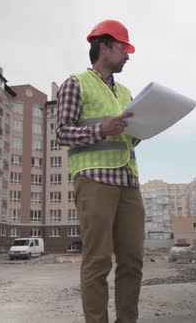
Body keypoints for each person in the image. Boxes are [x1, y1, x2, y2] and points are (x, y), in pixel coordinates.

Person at [56, 19, 145, 323]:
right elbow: (62, 132)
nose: (128, 55)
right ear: (104, 47)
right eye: (123, 48)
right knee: (97, 262)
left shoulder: (125, 91)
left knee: (132, 262)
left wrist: (144, 129)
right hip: (95, 180)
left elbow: (129, 137)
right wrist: (102, 129)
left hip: (129, 181)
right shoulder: (76, 83)